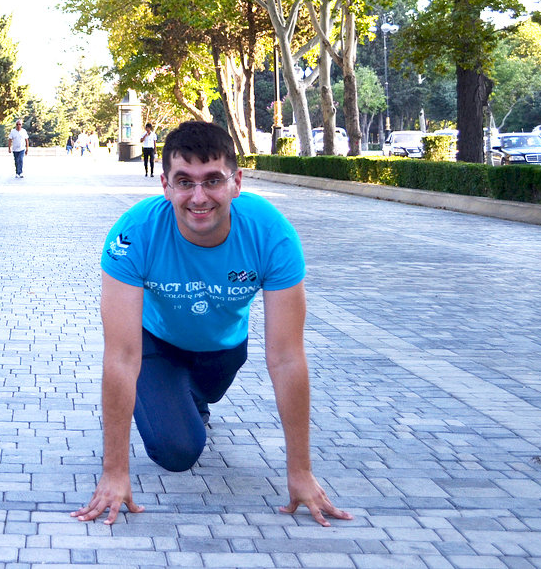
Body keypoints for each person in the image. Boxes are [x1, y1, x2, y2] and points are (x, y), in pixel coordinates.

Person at [72, 120, 351, 527]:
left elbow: (287, 357)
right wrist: (115, 473)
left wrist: (301, 473)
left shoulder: (272, 234)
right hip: (158, 346)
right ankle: (171, 398)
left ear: (236, 182)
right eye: (184, 182)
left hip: (224, 350)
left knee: (203, 395)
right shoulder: (133, 234)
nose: (199, 197)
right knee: (178, 451)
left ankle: (191, 398)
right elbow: (121, 355)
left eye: (212, 181)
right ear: (165, 185)